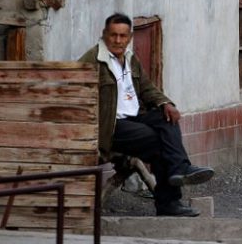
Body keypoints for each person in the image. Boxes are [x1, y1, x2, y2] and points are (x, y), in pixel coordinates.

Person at [79, 13, 214, 217]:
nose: (118, 40)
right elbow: (76, 92)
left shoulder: (131, 58)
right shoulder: (93, 60)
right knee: (160, 143)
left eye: (122, 36)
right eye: (113, 35)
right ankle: (170, 197)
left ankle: (179, 172)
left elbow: (147, 88)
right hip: (112, 126)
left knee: (167, 119)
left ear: (130, 37)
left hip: (135, 117)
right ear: (104, 34)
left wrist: (165, 103)